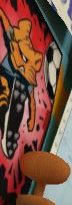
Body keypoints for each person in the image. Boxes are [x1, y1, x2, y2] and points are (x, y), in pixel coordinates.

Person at [0, 9, 43, 157]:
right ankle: (7, 112)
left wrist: (32, 117)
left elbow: (31, 100)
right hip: (9, 74)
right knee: (5, 85)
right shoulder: (17, 40)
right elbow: (32, 100)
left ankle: (8, 117)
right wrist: (31, 118)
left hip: (14, 76)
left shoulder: (17, 41)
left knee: (8, 88)